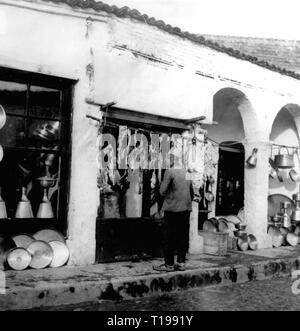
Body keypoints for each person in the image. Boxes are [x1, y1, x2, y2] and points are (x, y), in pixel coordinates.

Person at [153, 155, 194, 272]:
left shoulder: (169, 171)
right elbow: (192, 192)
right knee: (183, 236)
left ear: (171, 161)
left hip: (172, 210)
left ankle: (169, 265)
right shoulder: (188, 171)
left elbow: (162, 191)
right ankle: (181, 263)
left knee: (169, 237)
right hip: (185, 209)